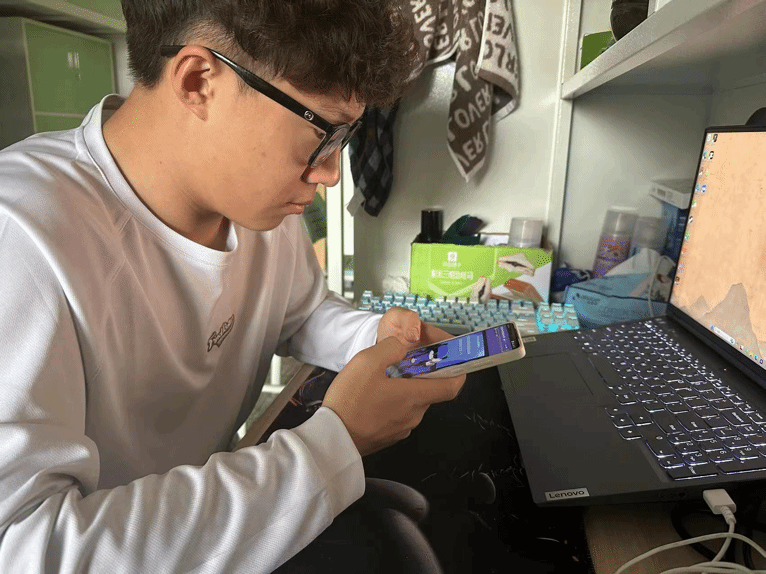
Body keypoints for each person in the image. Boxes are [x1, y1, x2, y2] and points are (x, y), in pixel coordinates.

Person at [0, 1, 466, 572]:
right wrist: (334, 443)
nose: (329, 173)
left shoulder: (256, 207)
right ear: (199, 81)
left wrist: (375, 339)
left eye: (345, 136)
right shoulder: (22, 238)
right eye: (321, 131)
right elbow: (27, 548)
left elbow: (299, 312)